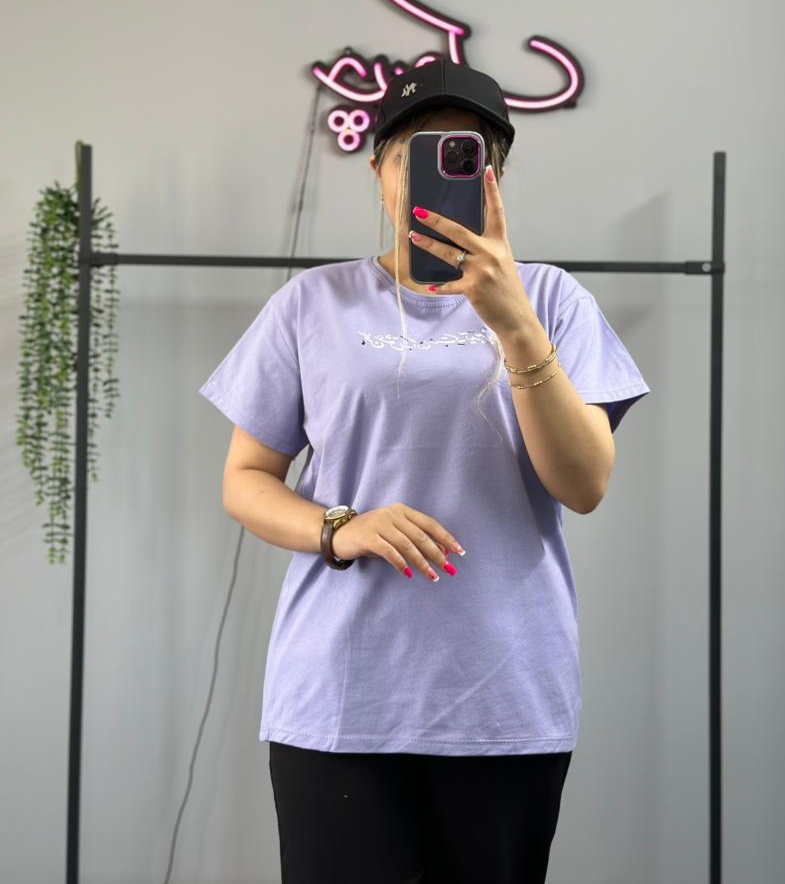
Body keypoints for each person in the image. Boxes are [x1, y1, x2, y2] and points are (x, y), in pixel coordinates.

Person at [198, 58, 652, 883]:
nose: (432, 173)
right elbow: (245, 480)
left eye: (465, 156)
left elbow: (584, 485)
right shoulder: (311, 304)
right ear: (378, 170)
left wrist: (514, 324)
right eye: (412, 152)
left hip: (505, 700)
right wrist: (340, 527)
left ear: (494, 179)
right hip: (339, 699)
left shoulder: (553, 301)